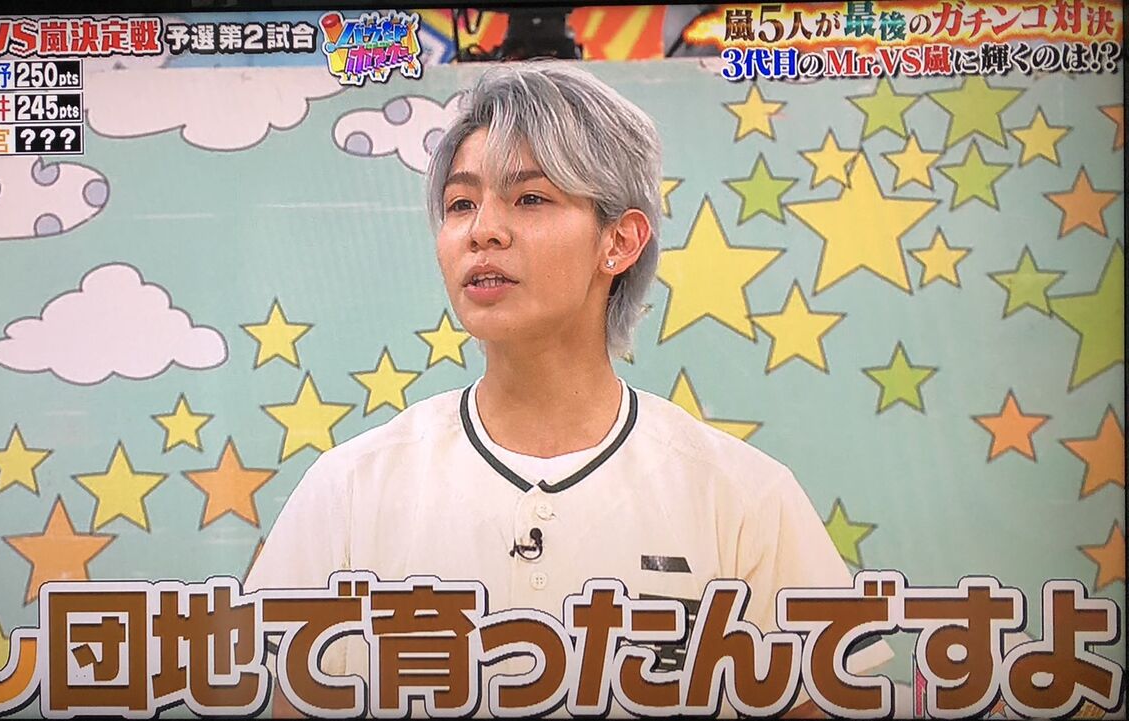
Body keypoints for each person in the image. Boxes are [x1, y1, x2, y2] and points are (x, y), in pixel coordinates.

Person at [246, 61, 889, 717]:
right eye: (461, 204)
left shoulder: (745, 498)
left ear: (619, 241)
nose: (483, 230)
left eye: (530, 199)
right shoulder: (349, 489)